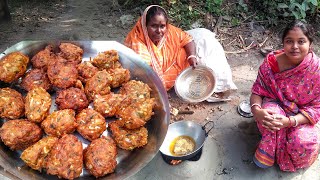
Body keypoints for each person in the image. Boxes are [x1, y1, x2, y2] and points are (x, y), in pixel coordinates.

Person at [250, 20, 320, 172]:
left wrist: (290, 121)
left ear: (310, 44)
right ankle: (269, 152)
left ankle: (284, 145)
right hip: (275, 104)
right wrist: (257, 111)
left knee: (304, 144)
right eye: (289, 41)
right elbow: (258, 90)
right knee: (270, 119)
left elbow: (317, 108)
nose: (295, 47)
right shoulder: (270, 64)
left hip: (301, 116)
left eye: (301, 41)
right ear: (283, 43)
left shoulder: (316, 70)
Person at [124, 5, 236, 96]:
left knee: (205, 42)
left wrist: (191, 56)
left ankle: (221, 86)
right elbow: (146, 73)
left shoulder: (170, 31)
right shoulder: (137, 42)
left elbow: (187, 39)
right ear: (145, 25)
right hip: (159, 72)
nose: (159, 31)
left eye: (162, 26)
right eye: (154, 26)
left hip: (177, 61)